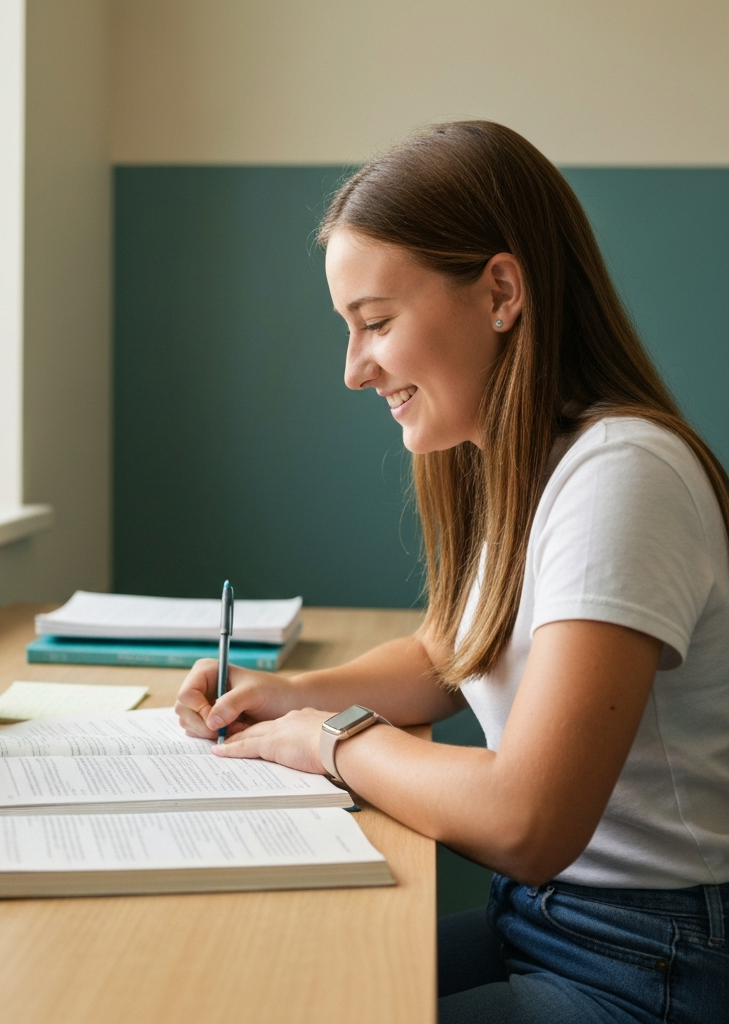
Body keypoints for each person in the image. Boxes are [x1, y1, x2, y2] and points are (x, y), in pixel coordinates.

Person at [174, 121, 729, 1023]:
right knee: (272, 985)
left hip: (650, 960)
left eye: (377, 323)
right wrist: (287, 694)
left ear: (502, 291)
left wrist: (333, 740)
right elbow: (454, 654)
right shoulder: (526, 458)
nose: (355, 371)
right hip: (549, 919)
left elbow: (529, 820)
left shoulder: (624, 474)